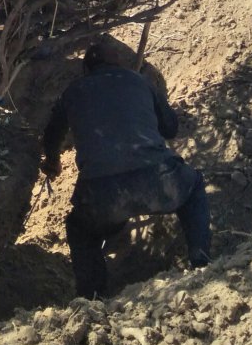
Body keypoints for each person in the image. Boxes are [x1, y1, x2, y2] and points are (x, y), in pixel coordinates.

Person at [41, 40, 210, 299]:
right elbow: (171, 128)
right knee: (194, 187)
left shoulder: (72, 92)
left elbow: (51, 138)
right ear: (118, 63)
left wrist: (51, 162)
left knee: (80, 228)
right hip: (160, 183)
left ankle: (93, 298)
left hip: (102, 198)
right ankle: (201, 262)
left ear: (87, 69)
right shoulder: (140, 81)